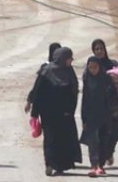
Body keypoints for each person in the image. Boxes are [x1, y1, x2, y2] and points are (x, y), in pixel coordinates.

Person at [29, 46, 82, 176]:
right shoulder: (46, 72)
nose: (71, 61)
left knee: (64, 139)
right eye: (69, 58)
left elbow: (74, 91)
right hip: (48, 113)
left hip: (65, 113)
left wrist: (71, 109)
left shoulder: (69, 71)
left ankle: (61, 165)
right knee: (50, 139)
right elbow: (38, 92)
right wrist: (34, 112)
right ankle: (49, 164)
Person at [80, 56, 118, 176]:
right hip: (91, 115)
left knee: (103, 140)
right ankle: (94, 165)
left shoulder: (106, 79)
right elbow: (85, 99)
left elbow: (114, 96)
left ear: (100, 67)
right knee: (93, 142)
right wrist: (83, 118)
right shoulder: (87, 79)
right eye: (90, 67)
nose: (93, 70)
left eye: (95, 67)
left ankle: (100, 165)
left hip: (105, 115)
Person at [26, 42, 62, 114]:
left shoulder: (65, 68)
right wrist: (29, 102)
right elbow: (37, 87)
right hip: (46, 106)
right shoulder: (46, 68)